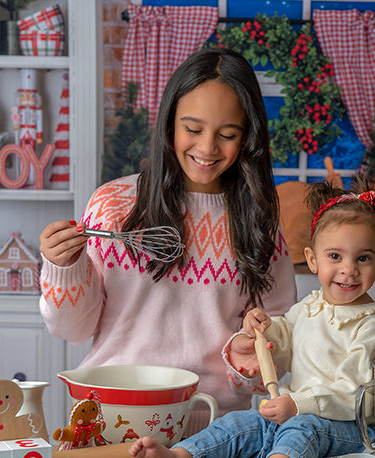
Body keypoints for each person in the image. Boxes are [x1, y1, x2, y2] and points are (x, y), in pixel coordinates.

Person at [38, 48, 297, 433]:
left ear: (248, 138)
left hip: (214, 428)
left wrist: (250, 356)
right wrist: (64, 267)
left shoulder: (259, 221)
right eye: (192, 129)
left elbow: (277, 346)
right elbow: (72, 329)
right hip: (110, 418)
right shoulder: (113, 206)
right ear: (169, 125)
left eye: (227, 135)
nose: (207, 148)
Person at [129, 175, 375, 458]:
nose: (348, 270)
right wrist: (259, 330)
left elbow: (355, 394)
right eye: (335, 256)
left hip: (354, 436)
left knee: (305, 426)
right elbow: (283, 338)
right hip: (298, 423)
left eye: (363, 259)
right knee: (243, 423)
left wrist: (297, 403)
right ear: (313, 259)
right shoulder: (310, 307)